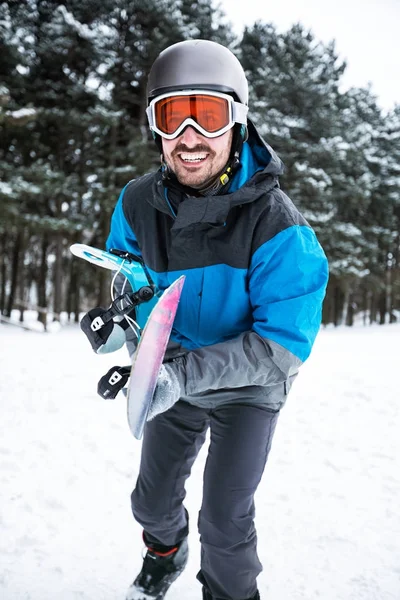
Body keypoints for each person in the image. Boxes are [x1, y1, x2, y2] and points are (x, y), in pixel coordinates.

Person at [99, 39, 329, 600]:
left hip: (249, 387)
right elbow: (130, 271)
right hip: (172, 369)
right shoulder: (136, 203)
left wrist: (180, 375)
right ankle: (164, 552)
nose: (190, 138)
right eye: (172, 117)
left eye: (209, 115)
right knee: (149, 502)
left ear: (238, 124)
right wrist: (119, 317)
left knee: (225, 521)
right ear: (156, 129)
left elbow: (283, 345)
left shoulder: (280, 226)